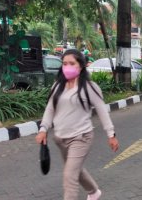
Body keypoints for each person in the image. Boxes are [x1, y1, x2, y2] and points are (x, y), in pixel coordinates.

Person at [35, 49, 119, 200]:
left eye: (72, 63)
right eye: (65, 63)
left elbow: (102, 111)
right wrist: (43, 129)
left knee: (69, 176)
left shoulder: (89, 87)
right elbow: (50, 109)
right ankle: (94, 192)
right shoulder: (57, 86)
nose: (67, 67)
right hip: (60, 138)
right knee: (75, 170)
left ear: (81, 66)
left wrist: (111, 134)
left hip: (81, 137)